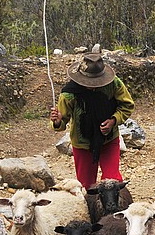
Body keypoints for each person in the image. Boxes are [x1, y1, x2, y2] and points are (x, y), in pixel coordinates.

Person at [49, 53, 134, 189]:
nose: (93, 86)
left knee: (113, 182)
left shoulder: (114, 83)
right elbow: (61, 123)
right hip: (82, 144)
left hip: (109, 138)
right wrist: (58, 121)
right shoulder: (68, 94)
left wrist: (113, 120)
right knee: (86, 186)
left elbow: (127, 105)